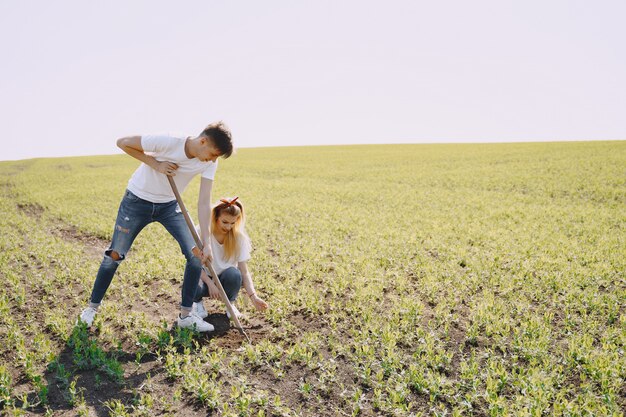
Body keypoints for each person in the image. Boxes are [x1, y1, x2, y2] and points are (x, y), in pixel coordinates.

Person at [78, 122, 233, 332]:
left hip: (169, 205)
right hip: (137, 201)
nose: (213, 160)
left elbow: (204, 202)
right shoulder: (169, 141)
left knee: (196, 254)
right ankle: (91, 309)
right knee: (115, 255)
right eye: (213, 154)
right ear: (203, 141)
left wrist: (206, 243)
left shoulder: (209, 162)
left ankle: (186, 316)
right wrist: (155, 164)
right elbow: (122, 142)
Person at [191, 197, 268, 321]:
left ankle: (230, 304)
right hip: (204, 279)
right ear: (216, 217)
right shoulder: (202, 231)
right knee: (191, 273)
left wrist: (253, 297)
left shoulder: (239, 238)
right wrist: (210, 283)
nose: (229, 227)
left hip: (225, 280)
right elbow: (194, 264)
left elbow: (244, 272)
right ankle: (197, 304)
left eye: (233, 223)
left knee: (235, 274)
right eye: (225, 222)